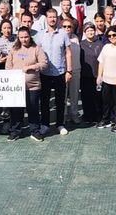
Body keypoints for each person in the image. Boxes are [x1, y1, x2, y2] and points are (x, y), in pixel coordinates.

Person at [5, 27, 49, 142]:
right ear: (18, 38)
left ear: (30, 36)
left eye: (26, 37)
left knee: (33, 109)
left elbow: (44, 64)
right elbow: (8, 66)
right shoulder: (14, 49)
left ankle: (35, 131)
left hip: (32, 86)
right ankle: (15, 131)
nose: (24, 40)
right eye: (21, 37)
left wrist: (31, 67)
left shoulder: (36, 49)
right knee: (16, 110)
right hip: (17, 87)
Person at [38, 8, 72, 136]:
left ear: (57, 18)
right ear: (46, 19)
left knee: (60, 100)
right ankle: (45, 124)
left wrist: (69, 70)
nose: (52, 19)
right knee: (45, 100)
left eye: (54, 17)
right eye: (50, 17)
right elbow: (37, 53)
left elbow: (68, 53)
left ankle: (60, 124)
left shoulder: (63, 33)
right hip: (45, 73)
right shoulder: (40, 35)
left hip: (60, 72)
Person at [79, 22, 103, 123]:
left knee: (97, 97)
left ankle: (98, 116)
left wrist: (100, 75)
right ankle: (87, 116)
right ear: (85, 32)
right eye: (88, 30)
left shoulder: (100, 43)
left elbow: (102, 60)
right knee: (86, 96)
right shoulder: (81, 44)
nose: (90, 32)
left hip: (97, 75)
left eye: (92, 30)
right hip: (84, 75)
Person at [62, 18, 82, 124]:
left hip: (76, 69)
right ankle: (64, 115)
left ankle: (74, 114)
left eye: (69, 26)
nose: (67, 28)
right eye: (64, 26)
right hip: (64, 71)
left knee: (74, 94)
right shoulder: (59, 38)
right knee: (63, 95)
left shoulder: (76, 38)